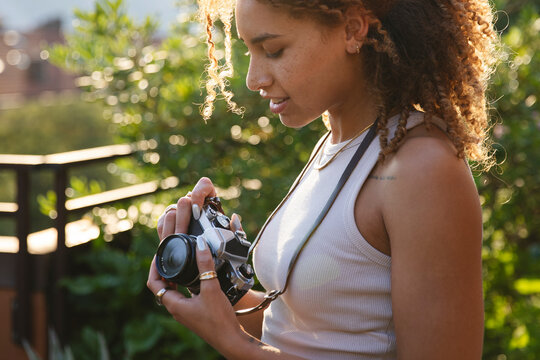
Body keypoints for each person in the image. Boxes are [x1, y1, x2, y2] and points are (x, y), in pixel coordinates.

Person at [147, 0, 500, 358]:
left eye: (273, 50)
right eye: (249, 50)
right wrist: (217, 285)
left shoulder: (422, 167)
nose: (254, 79)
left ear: (352, 30)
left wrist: (234, 344)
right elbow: (306, 333)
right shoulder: (338, 143)